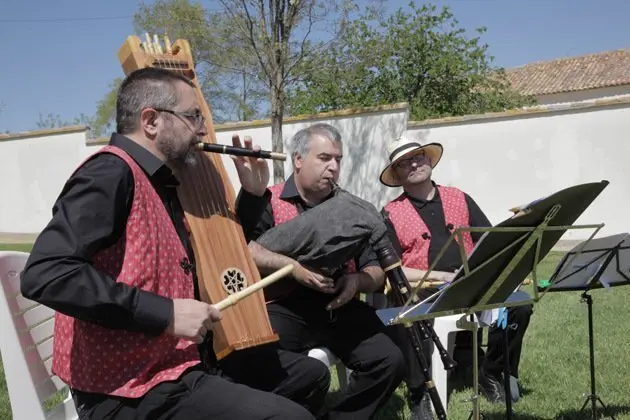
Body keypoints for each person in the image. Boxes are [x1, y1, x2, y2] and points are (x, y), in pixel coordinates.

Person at [19, 67, 315, 420]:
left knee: (308, 378)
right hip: (127, 391)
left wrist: (252, 195)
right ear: (151, 121)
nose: (202, 128)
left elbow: (228, 251)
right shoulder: (110, 174)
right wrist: (166, 313)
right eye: (193, 116)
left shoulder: (162, 181)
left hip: (178, 363)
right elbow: (46, 273)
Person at [230, 123, 406, 419]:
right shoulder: (266, 200)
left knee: (390, 360)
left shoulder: (353, 210)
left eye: (338, 159)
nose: (334, 167)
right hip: (280, 306)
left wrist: (356, 280)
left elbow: (375, 272)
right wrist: (294, 268)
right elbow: (243, 252)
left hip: (336, 304)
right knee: (266, 367)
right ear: (298, 160)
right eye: (324, 158)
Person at [378, 135, 533, 417]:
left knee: (520, 306)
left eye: (418, 156)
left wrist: (518, 224)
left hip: (472, 281)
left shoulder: (459, 197)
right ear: (397, 174)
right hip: (424, 287)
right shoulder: (390, 212)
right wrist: (440, 275)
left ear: (428, 159)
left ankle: (491, 372)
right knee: (407, 313)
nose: (414, 164)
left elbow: (489, 241)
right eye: (404, 163)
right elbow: (394, 269)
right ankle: (420, 391)